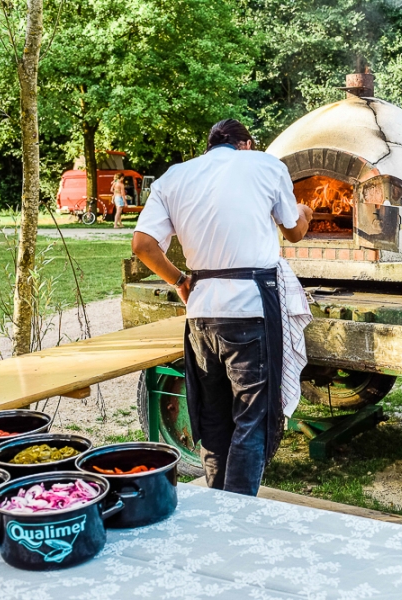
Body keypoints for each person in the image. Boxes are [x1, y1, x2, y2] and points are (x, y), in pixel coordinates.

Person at [131, 119, 313, 496]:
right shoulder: (266, 164)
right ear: (245, 144)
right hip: (249, 307)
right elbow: (294, 231)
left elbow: (143, 246)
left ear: (210, 146)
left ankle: (218, 504)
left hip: (200, 311)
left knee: (213, 419)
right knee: (251, 417)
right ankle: (238, 513)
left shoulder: (174, 177)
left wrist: (179, 281)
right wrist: (305, 211)